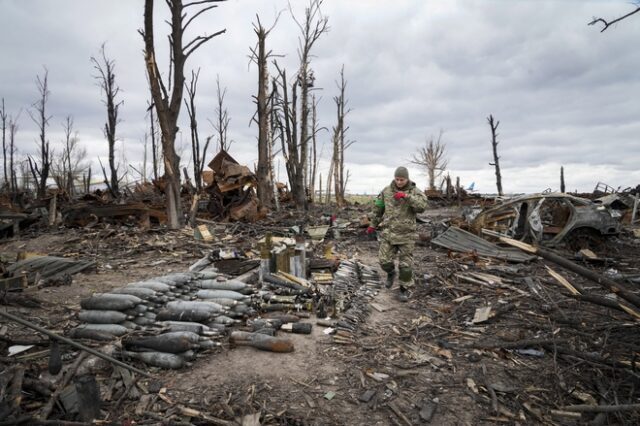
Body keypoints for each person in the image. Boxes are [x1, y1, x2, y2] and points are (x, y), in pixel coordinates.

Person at [367, 166, 428, 302]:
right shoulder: (386, 191)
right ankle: (391, 273)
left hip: (406, 235)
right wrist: (372, 225)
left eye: (402, 179)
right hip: (389, 233)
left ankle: (404, 290)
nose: (399, 182)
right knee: (384, 261)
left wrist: (407, 197)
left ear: (407, 178)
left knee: (405, 267)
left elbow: (422, 207)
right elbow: (378, 209)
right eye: (397, 179)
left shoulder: (415, 192)